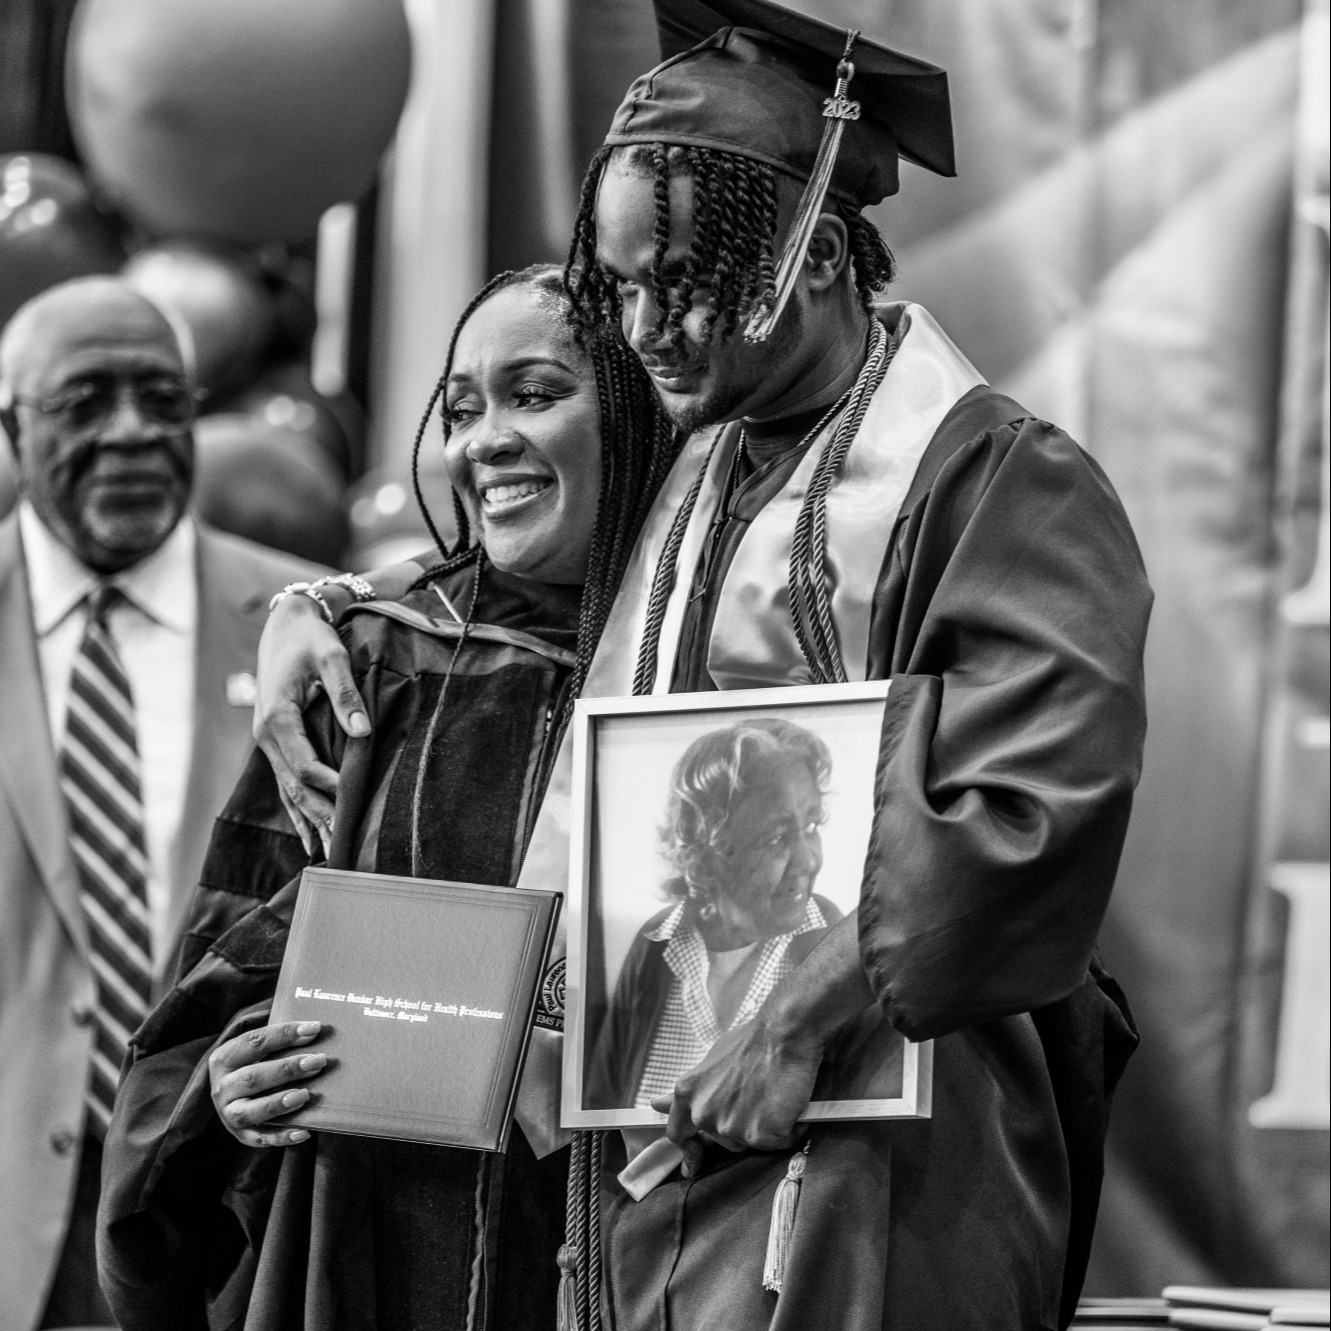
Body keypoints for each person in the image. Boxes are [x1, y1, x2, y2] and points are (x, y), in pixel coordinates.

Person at [242, 1, 1153, 1326]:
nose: (647, 325)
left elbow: (1030, 802)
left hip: (875, 1159)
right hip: (656, 1163)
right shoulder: (698, 465)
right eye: (620, 282)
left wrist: (791, 1021)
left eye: (687, 277)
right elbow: (491, 575)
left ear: (821, 257)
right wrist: (311, 607)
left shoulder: (990, 478)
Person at [96, 265, 679, 1331]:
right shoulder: (374, 664)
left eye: (535, 393)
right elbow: (227, 974)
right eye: (460, 409)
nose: (481, 441)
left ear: (641, 401)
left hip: (659, 1255)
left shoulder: (727, 663)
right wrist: (225, 1088)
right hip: (379, 1254)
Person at [0, 276, 326, 1331]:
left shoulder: (319, 638)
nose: (133, 430)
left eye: (161, 398)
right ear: (11, 424)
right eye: (85, 402)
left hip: (229, 1230)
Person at [590, 718, 844, 1110]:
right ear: (707, 846)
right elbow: (599, 1109)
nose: (808, 860)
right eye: (776, 837)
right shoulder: (657, 942)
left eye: (811, 825)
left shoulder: (833, 942)